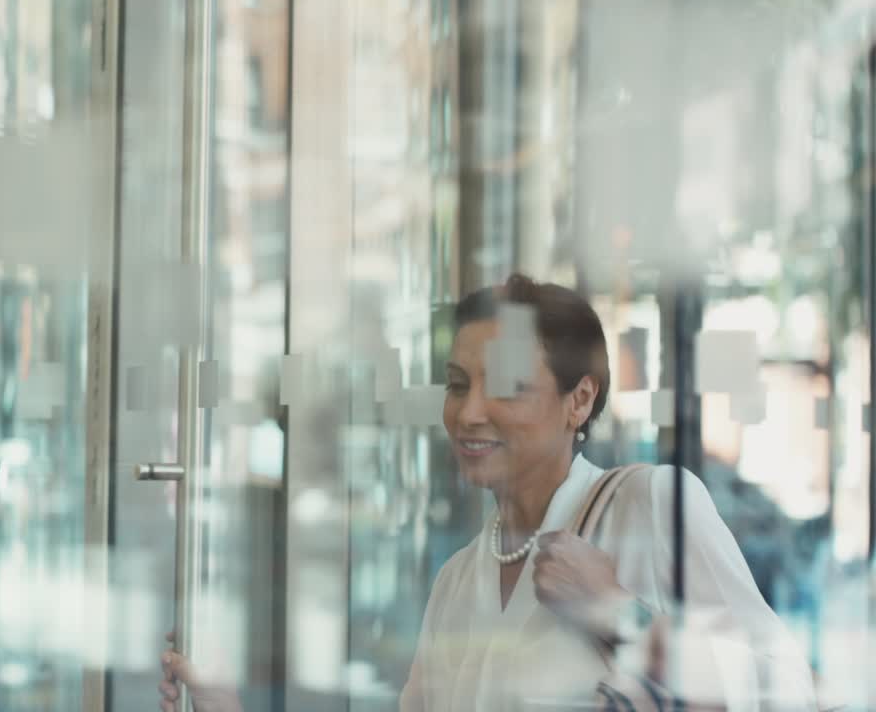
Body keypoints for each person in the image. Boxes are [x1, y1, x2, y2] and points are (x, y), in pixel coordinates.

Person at [158, 274, 816, 711]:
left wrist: (620, 617)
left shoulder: (649, 506)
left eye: (504, 387)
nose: (470, 413)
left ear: (578, 399)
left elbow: (785, 690)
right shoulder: (458, 582)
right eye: (455, 384)